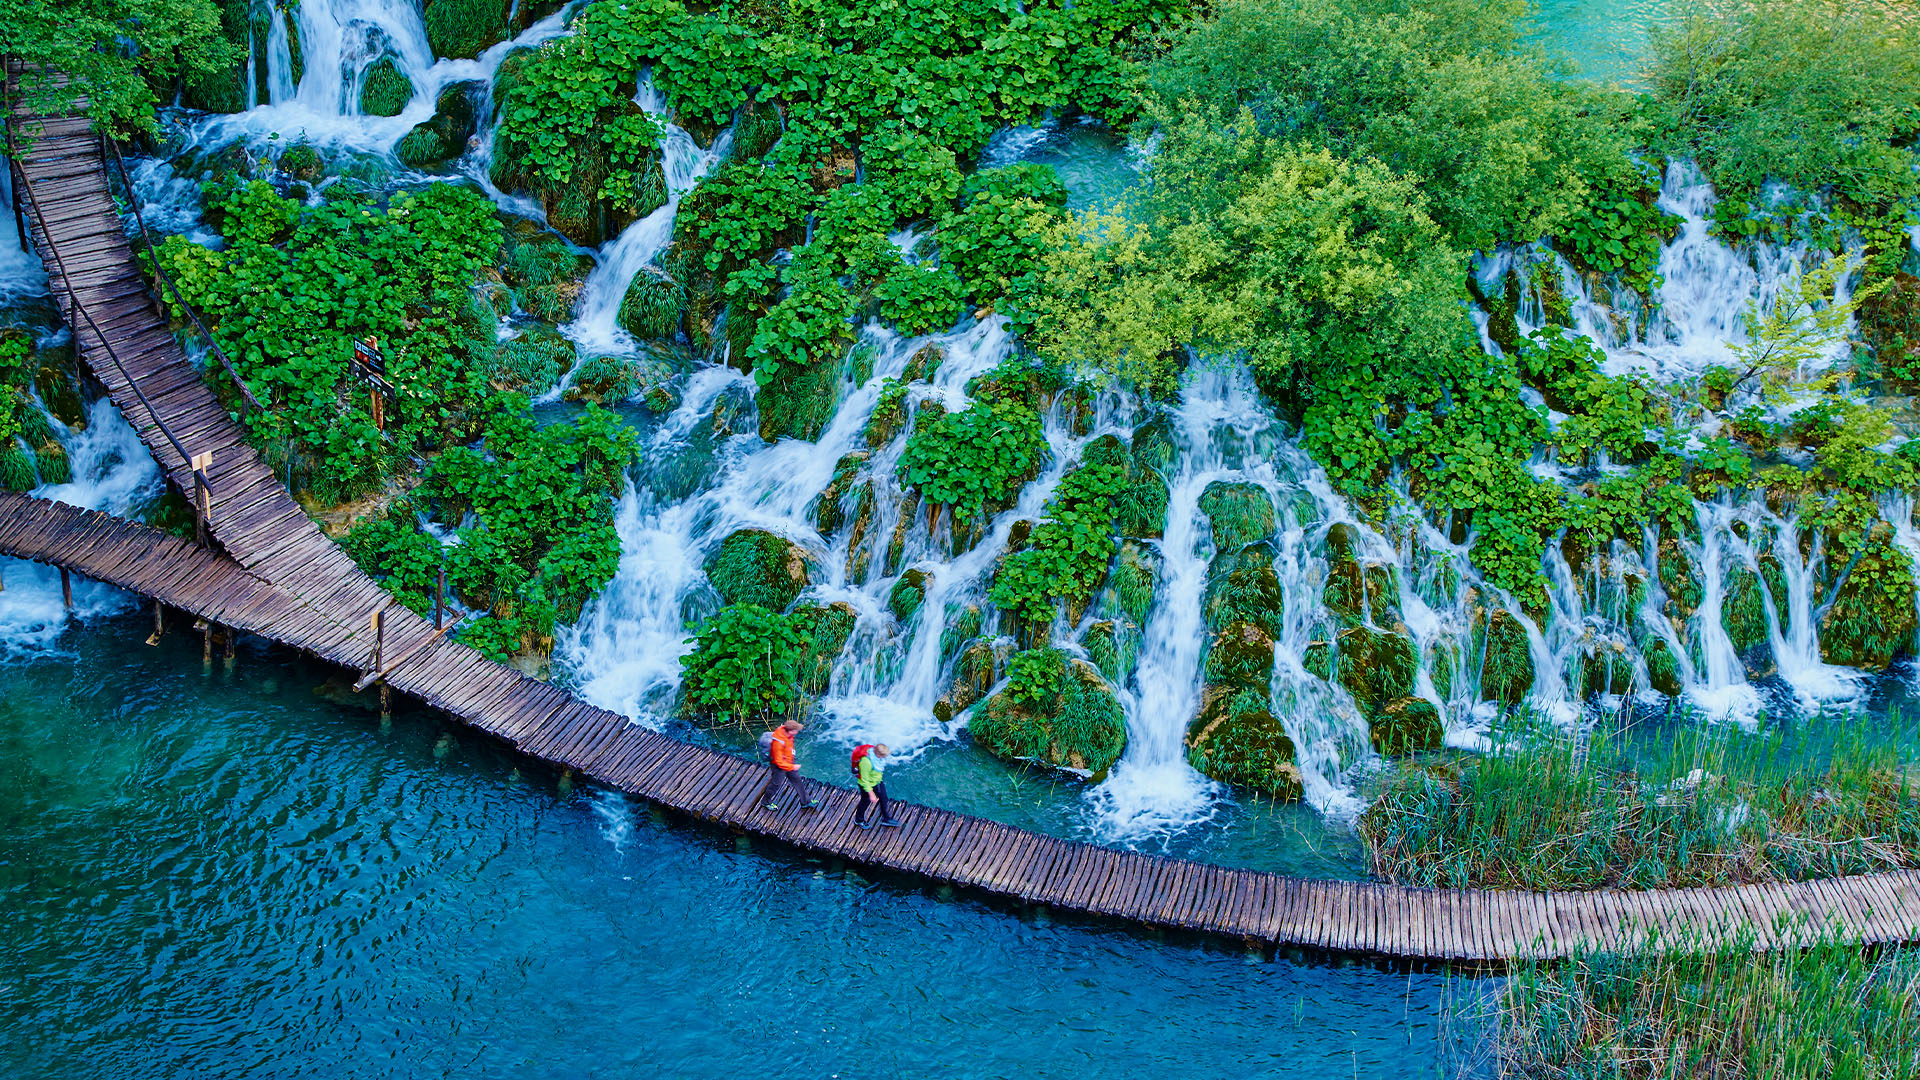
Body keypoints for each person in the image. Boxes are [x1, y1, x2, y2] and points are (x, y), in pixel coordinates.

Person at [760, 719, 816, 812]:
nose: (797, 731)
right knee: (775, 784)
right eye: (796, 730)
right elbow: (779, 761)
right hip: (779, 767)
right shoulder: (778, 742)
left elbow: (789, 748)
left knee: (798, 781)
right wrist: (792, 767)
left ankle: (805, 802)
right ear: (790, 731)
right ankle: (765, 802)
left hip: (789, 762)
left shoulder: (789, 735)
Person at [852, 742, 900, 829]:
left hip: (877, 782)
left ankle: (886, 818)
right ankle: (859, 820)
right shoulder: (866, 762)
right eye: (883, 756)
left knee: (884, 798)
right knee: (865, 802)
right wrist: (871, 793)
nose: (884, 757)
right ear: (877, 754)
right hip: (866, 785)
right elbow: (864, 780)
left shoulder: (878, 759)